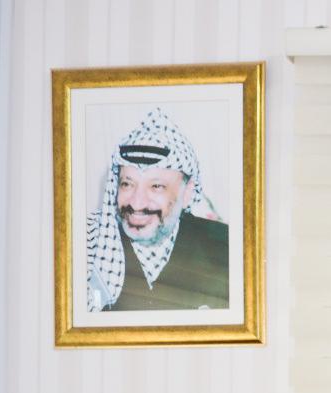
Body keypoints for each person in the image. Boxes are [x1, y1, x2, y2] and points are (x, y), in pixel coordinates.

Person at [86, 107, 229, 312]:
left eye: (156, 186)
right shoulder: (88, 244)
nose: (137, 203)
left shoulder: (226, 246)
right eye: (127, 184)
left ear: (187, 193)